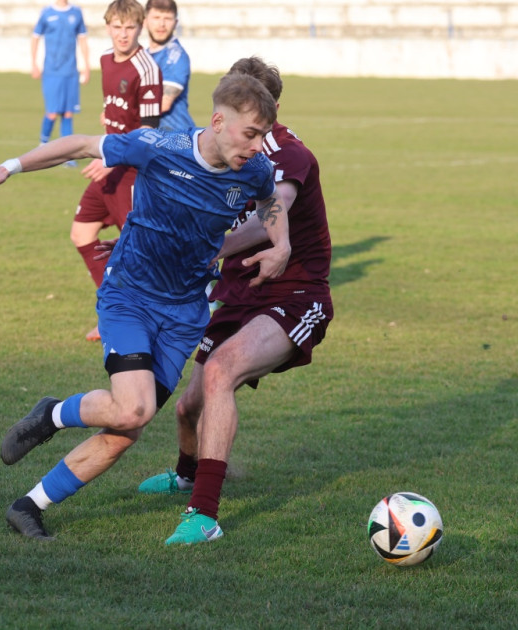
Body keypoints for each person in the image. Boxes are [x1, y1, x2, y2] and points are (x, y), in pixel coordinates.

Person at [0, 72, 291, 542]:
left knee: (123, 429)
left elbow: (270, 203)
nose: (258, 147)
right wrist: (7, 168)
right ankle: (53, 414)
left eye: (264, 137)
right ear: (218, 121)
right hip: (131, 297)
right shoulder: (160, 146)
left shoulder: (253, 169)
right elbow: (79, 145)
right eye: (251, 134)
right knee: (134, 410)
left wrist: (281, 245)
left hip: (183, 317)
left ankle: (28, 506)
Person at [136, 57, 334, 545]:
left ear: (270, 112)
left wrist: (211, 246)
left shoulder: (290, 157)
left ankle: (204, 515)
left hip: (296, 294)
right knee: (187, 409)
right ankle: (186, 473)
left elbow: (272, 212)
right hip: (240, 295)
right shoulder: (225, 153)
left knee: (222, 370)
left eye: (256, 115)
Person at [73, 0, 163, 342]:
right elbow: (118, 109)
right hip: (110, 165)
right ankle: (111, 312)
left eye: (130, 28)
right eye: (117, 27)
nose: (123, 35)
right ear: (108, 26)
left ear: (140, 28)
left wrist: (110, 156)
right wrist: (108, 117)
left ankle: (165, 312)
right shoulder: (106, 60)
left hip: (132, 172)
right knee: (82, 233)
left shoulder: (148, 68)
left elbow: (150, 134)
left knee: (140, 251)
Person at [31, 0, 91, 151]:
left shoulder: (76, 12)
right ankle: (42, 145)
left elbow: (82, 39)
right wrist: (34, 63)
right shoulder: (47, 13)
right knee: (52, 113)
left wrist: (86, 66)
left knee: (68, 113)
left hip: (70, 71)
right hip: (52, 71)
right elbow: (35, 37)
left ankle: (67, 154)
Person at [143, 0, 194, 132]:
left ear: (175, 23)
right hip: (153, 138)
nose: (162, 24)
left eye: (167, 18)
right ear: (145, 21)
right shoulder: (143, 56)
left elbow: (163, 104)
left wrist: (120, 112)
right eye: (156, 17)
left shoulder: (176, 56)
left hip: (178, 139)